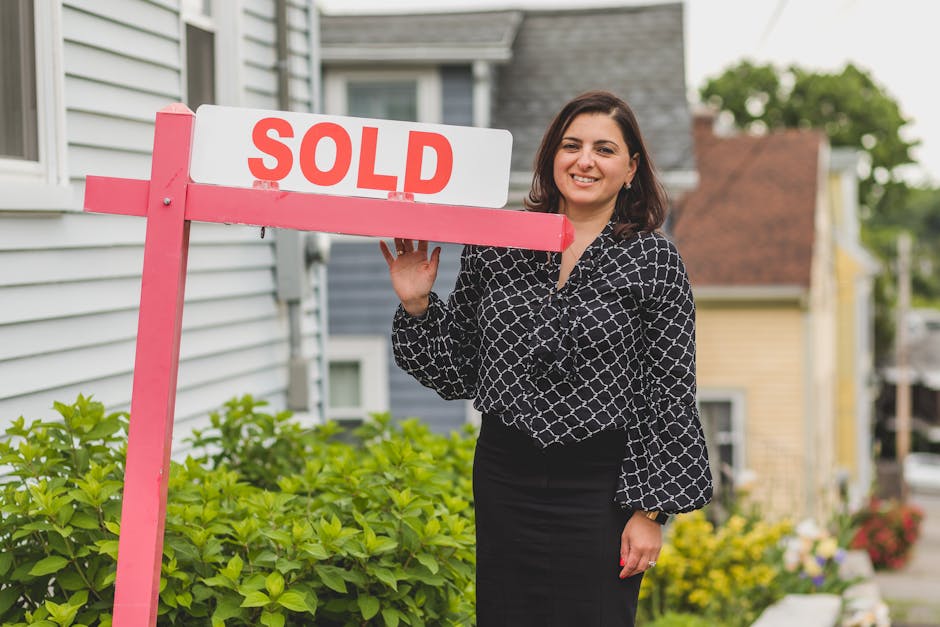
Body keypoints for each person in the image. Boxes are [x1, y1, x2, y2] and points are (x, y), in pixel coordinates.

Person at [379, 91, 712, 626]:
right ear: (550, 157)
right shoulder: (499, 243)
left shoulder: (654, 260)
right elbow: (459, 368)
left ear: (630, 169)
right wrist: (417, 303)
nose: (585, 160)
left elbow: (669, 390)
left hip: (602, 487)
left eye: (604, 150)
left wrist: (650, 511)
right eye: (571, 145)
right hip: (506, 476)